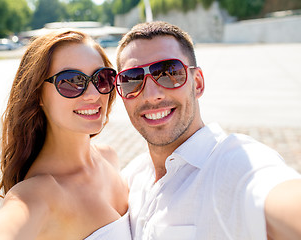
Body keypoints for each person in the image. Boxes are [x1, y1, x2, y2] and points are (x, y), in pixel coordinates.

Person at [115, 21, 301, 240]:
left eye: (169, 73)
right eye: (132, 80)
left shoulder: (235, 162)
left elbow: (277, 194)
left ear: (198, 83)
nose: (151, 94)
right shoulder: (131, 178)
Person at [0, 30, 131, 240]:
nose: (94, 93)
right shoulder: (39, 194)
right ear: (37, 94)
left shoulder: (109, 157)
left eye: (102, 78)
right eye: (71, 81)